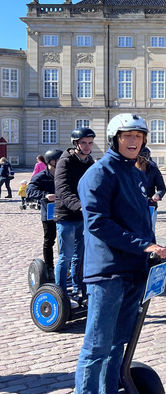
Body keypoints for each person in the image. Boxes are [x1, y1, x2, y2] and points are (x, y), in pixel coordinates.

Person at [74, 113, 166, 394]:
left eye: (138, 137)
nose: (133, 142)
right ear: (115, 138)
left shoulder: (136, 174)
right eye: (128, 136)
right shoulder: (99, 174)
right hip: (108, 271)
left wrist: (151, 250)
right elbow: (99, 224)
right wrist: (144, 245)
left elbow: (140, 221)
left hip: (134, 269)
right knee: (98, 345)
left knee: (119, 342)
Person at [53, 127, 96, 301]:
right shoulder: (65, 162)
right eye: (84, 143)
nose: (87, 146)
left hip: (82, 216)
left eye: (90, 143)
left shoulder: (90, 162)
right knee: (66, 256)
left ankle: (80, 289)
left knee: (80, 256)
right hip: (66, 216)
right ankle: (60, 293)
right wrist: (79, 206)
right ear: (76, 144)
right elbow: (62, 189)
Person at [27, 149, 63, 278]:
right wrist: (45, 195)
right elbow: (30, 192)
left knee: (67, 240)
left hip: (65, 212)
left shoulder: (64, 175)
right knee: (49, 240)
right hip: (49, 213)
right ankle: (49, 268)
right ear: (51, 162)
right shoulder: (41, 177)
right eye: (59, 160)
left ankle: (67, 268)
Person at [136, 147, 166, 230]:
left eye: (143, 160)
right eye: (139, 159)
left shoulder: (153, 170)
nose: (141, 162)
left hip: (150, 205)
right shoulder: (130, 169)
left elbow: (162, 188)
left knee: (149, 231)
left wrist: (158, 195)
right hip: (134, 206)